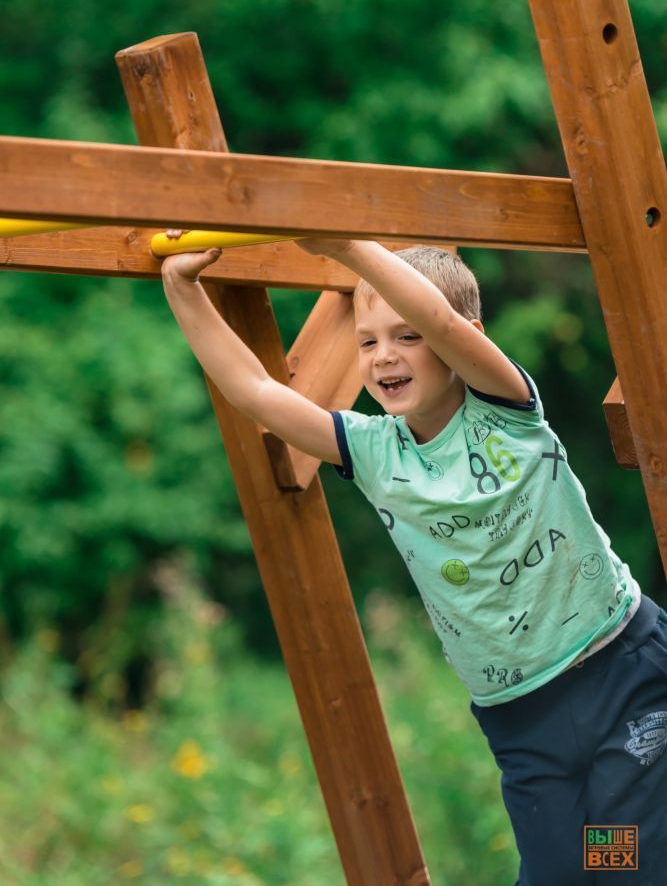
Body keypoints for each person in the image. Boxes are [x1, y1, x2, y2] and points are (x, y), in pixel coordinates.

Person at [159, 235, 667, 885]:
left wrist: (347, 247)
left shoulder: (506, 409)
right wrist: (182, 289)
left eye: (405, 337)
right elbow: (255, 391)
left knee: (619, 863)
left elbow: (442, 319)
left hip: (616, 674)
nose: (383, 357)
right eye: (367, 342)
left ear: (459, 340)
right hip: (521, 718)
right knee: (555, 875)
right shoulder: (374, 452)